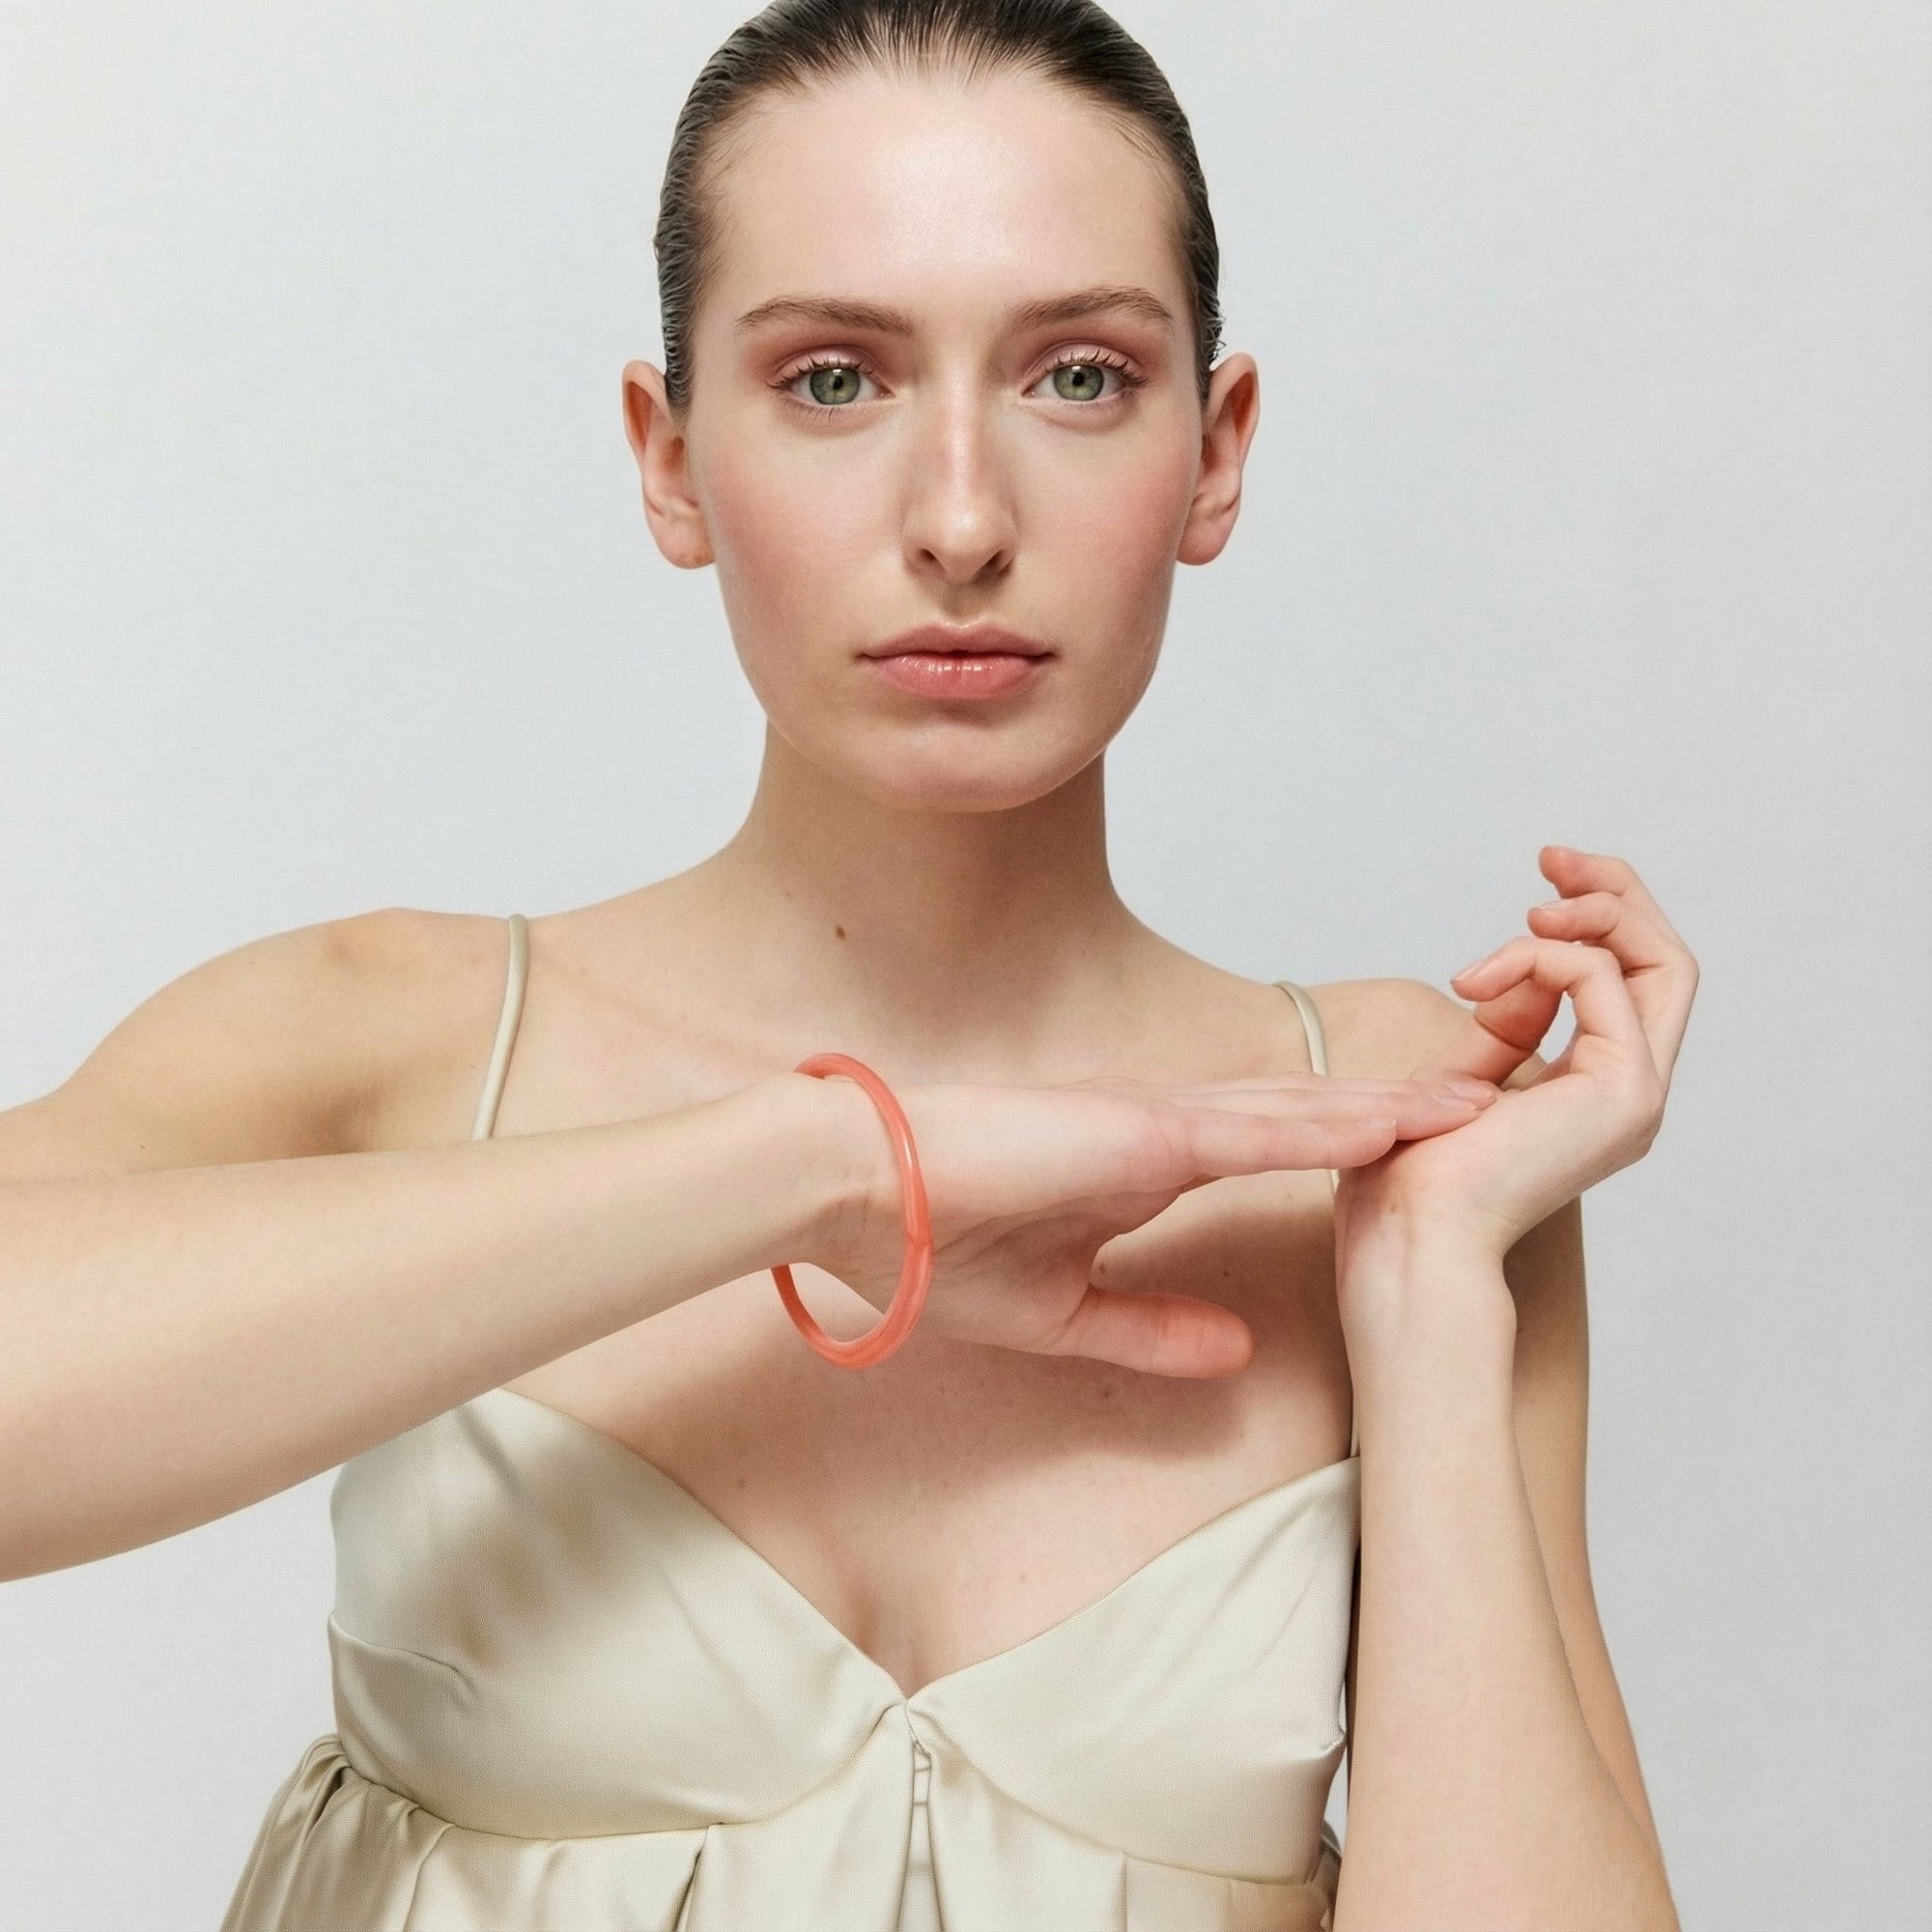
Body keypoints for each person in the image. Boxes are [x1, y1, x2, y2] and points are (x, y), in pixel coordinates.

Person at [0, 3, 1694, 1927]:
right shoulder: (387, 1041)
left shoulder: (1393, 1122)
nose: (960, 520)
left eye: (1076, 375)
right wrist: (821, 1167)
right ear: (669, 457)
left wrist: (1423, 1296)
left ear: (1214, 453)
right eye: (830, 380)